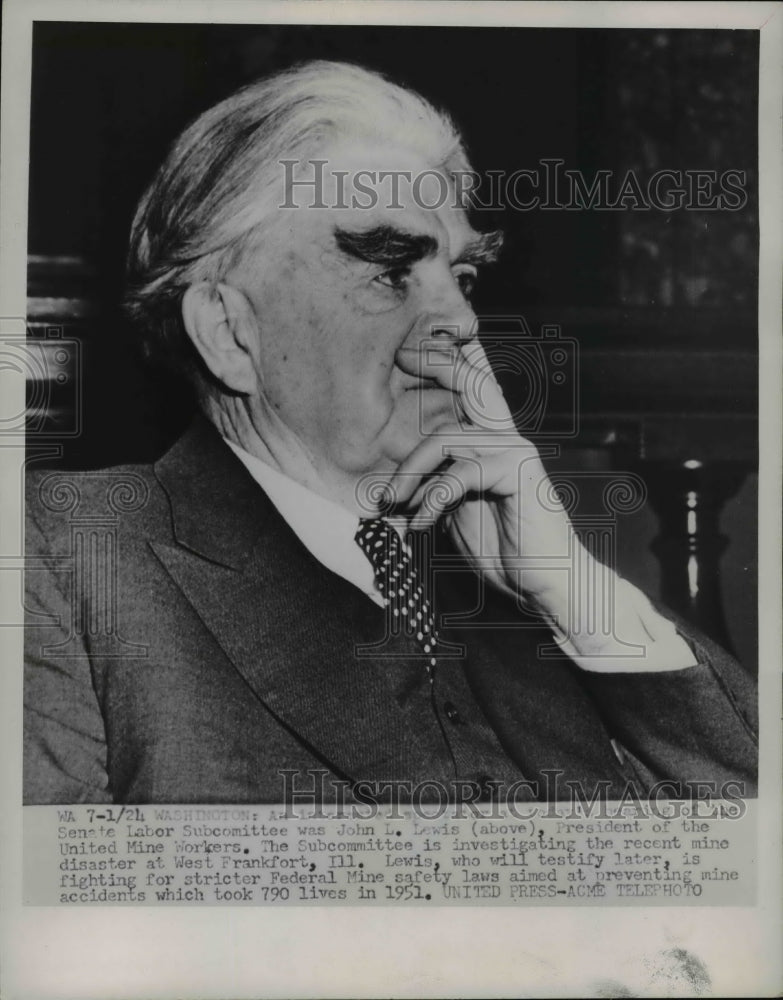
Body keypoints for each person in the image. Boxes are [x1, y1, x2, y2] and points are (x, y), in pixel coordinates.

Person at [23, 61, 757, 806]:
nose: (463, 324)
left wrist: (574, 591)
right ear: (228, 333)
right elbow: (57, 911)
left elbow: (756, 873)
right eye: (389, 270)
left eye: (463, 277)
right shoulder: (63, 554)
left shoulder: (524, 583)